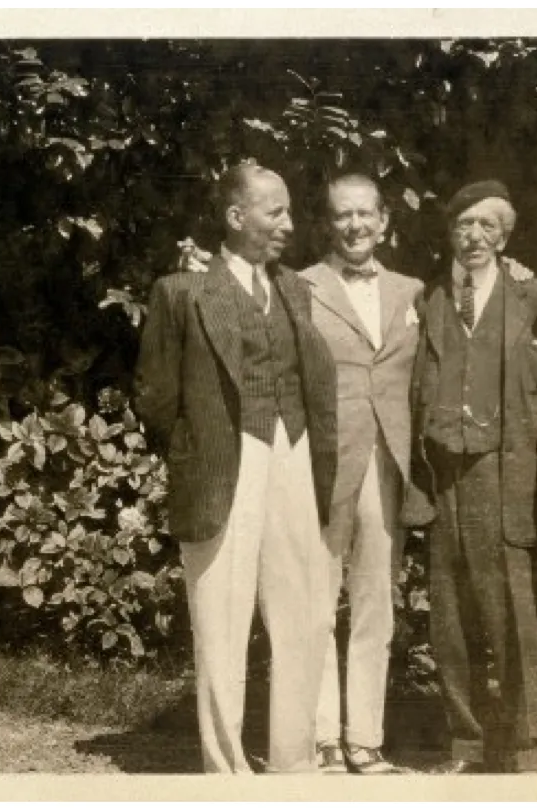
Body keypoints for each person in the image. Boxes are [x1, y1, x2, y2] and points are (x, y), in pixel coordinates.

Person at [134, 162, 338, 773]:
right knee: (221, 617)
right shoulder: (182, 292)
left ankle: (292, 764)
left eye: (288, 211)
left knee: (302, 607)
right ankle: (226, 772)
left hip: (293, 453)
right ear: (235, 217)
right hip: (225, 462)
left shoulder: (296, 289)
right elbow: (155, 396)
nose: (288, 224)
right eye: (275, 211)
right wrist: (200, 446)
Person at [404, 180, 537, 774]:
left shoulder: (534, 296)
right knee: (450, 615)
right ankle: (466, 745)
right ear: (449, 235)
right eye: (463, 226)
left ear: (506, 236)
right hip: (444, 470)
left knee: (514, 612)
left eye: (487, 226)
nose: (474, 237)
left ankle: (533, 747)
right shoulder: (429, 299)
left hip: (505, 468)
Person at [299, 174, 423, 775]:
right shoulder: (299, 288)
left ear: (384, 220)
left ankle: (364, 738)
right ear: (328, 223)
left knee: (377, 599)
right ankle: (321, 736)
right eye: (342, 215)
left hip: (387, 463)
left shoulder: (414, 291)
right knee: (318, 602)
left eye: (364, 214)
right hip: (320, 463)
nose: (354, 226)